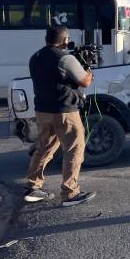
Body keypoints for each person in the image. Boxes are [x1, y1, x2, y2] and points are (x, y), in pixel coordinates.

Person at [23, 26, 97, 207]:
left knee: (44, 148)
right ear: (65, 40)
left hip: (42, 111)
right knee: (74, 148)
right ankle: (70, 194)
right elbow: (85, 82)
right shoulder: (66, 58)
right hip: (64, 112)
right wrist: (88, 68)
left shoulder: (35, 57)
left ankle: (33, 187)